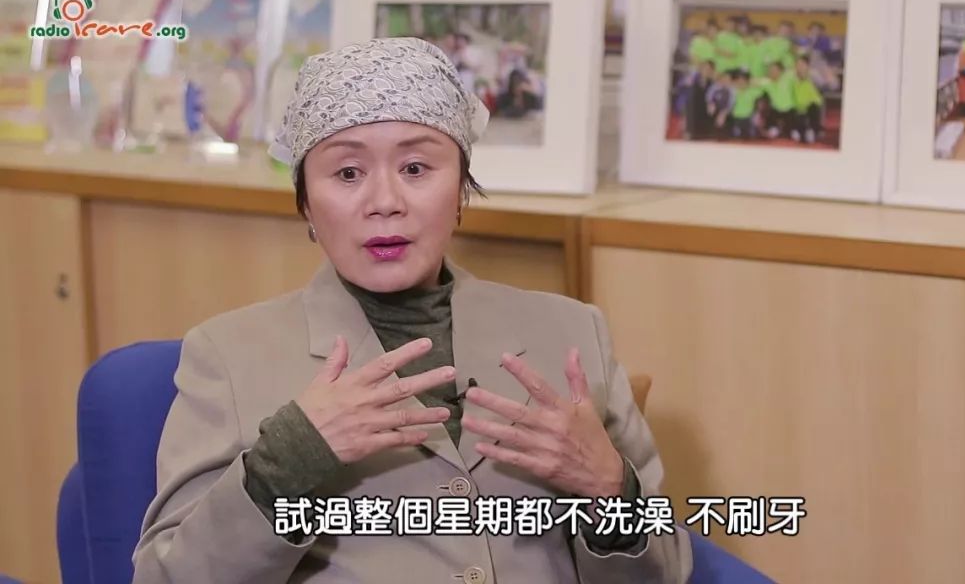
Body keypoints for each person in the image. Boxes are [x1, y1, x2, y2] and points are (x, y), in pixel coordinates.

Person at [132, 38, 693, 583]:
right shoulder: (227, 355)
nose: (385, 202)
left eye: (417, 168)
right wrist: (288, 461)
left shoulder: (573, 331)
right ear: (305, 202)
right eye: (347, 173)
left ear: (461, 190)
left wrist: (610, 490)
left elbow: (666, 573)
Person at [759, 61, 796, 140]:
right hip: (775, 111)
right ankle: (775, 129)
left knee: (794, 134)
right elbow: (753, 82)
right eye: (770, 70)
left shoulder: (788, 78)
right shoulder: (766, 82)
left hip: (790, 110)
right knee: (770, 131)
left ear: (780, 71)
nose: (772, 72)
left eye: (775, 70)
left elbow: (796, 71)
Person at [792, 55, 824, 143]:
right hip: (798, 107)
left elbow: (821, 86)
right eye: (797, 64)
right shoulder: (792, 77)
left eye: (802, 64)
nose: (799, 67)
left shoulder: (813, 75)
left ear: (807, 65)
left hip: (812, 105)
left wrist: (806, 76)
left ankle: (813, 130)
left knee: (814, 108)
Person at [729, 69, 763, 140]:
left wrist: (754, 83)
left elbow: (762, 90)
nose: (741, 82)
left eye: (743, 80)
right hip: (735, 119)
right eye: (738, 80)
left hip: (749, 119)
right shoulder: (732, 91)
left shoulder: (753, 91)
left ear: (747, 81)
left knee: (751, 138)